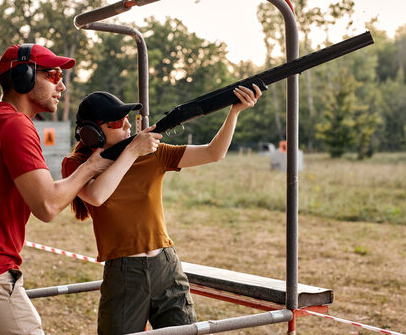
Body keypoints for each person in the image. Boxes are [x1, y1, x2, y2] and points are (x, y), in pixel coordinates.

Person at [0, 44, 161, 335]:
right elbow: (47, 206)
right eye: (52, 75)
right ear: (23, 76)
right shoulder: (15, 125)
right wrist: (90, 167)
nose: (61, 85)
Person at [62, 84, 262, 334]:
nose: (125, 125)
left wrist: (234, 112)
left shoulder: (152, 154)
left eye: (125, 119)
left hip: (166, 266)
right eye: (114, 123)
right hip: (124, 272)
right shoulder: (78, 164)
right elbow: (96, 195)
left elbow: (214, 152)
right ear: (91, 133)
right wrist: (133, 151)